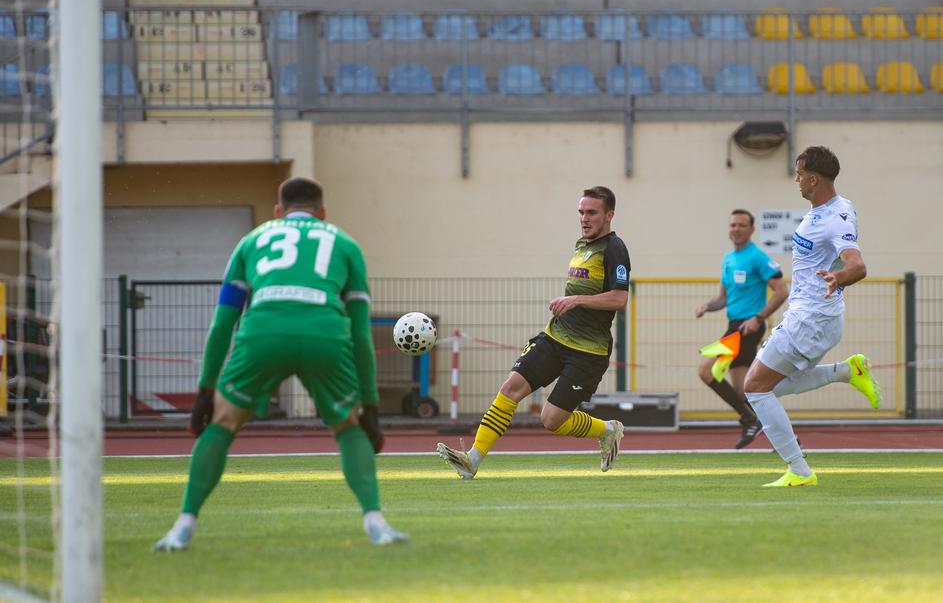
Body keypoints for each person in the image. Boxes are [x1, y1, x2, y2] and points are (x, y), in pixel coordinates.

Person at [154, 177, 408, 550]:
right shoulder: (345, 244)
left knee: (223, 423)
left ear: (278, 212)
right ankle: (376, 523)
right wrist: (369, 404)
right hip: (324, 335)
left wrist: (205, 389)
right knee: (348, 427)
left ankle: (182, 527)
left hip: (264, 332)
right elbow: (360, 334)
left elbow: (222, 324)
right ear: (322, 213)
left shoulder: (251, 241)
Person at [436, 186, 631, 479]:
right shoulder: (582, 246)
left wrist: (575, 300)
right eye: (581, 212)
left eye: (592, 212)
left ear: (609, 215)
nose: (584, 218)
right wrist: (571, 303)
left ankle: (607, 430)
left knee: (551, 420)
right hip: (555, 337)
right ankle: (472, 460)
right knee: (510, 388)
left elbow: (619, 298)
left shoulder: (615, 248)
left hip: (588, 352)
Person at [744, 146, 881, 487]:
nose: (797, 179)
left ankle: (799, 470)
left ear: (814, 179)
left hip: (811, 319)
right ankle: (847, 371)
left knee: (755, 388)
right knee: (770, 386)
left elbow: (857, 265)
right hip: (815, 317)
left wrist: (840, 276)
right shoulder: (838, 207)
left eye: (800, 173)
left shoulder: (834, 218)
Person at [695, 209, 788, 449]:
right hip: (734, 325)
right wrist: (707, 306)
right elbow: (723, 299)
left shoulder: (757, 257)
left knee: (706, 370)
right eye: (733, 225)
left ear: (751, 229)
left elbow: (782, 291)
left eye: (741, 225)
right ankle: (785, 437)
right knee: (745, 390)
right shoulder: (728, 259)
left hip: (748, 327)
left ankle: (749, 419)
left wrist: (758, 317)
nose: (736, 229)